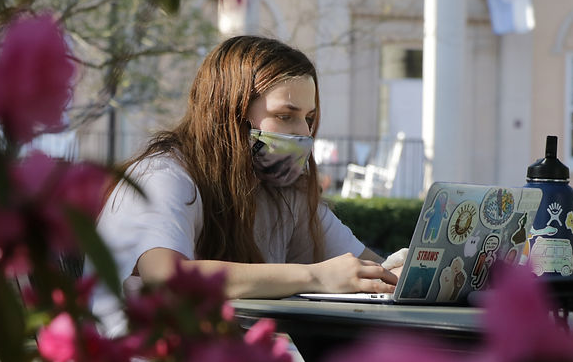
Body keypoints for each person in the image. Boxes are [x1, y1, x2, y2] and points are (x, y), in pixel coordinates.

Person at [96, 35, 403, 301]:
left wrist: (406, 272)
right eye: (285, 116)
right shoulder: (164, 176)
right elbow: (165, 276)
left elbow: (370, 270)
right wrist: (314, 276)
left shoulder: (280, 188)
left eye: (309, 118)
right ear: (231, 113)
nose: (305, 132)